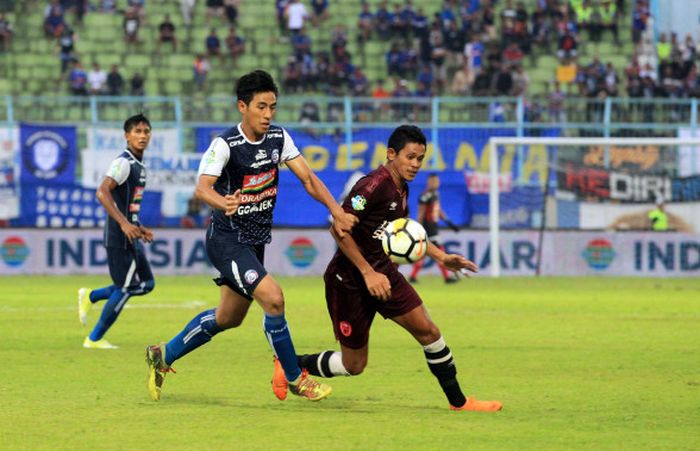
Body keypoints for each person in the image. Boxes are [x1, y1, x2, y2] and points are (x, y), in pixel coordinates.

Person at [144, 70, 357, 402]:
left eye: (273, 106)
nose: (268, 114)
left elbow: (309, 179)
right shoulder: (225, 144)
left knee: (228, 317)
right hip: (227, 239)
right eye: (261, 106)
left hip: (254, 241)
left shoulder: (278, 138)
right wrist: (222, 201)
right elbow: (203, 188)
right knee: (274, 298)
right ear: (242, 106)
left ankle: (163, 354)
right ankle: (295, 377)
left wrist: (336, 209)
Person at [271, 125, 502, 412]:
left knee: (429, 332)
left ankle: (460, 402)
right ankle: (289, 363)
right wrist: (368, 273)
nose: (416, 164)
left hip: (385, 275)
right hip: (350, 282)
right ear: (391, 154)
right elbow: (339, 230)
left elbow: (402, 232)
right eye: (410, 157)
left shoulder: (401, 187)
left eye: (420, 158)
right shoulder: (371, 186)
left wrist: (441, 257)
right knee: (353, 365)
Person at [77, 114, 155, 349]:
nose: (142, 136)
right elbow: (102, 192)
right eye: (137, 131)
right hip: (118, 236)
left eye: (146, 131)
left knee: (147, 284)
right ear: (127, 136)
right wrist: (123, 224)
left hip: (131, 234)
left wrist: (137, 226)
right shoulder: (123, 163)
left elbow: (128, 204)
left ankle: (91, 296)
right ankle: (94, 339)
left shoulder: (139, 166)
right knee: (128, 287)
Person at [409, 173, 460, 284]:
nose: (436, 183)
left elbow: (438, 210)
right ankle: (447, 277)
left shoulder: (436, 194)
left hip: (434, 227)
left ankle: (413, 276)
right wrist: (418, 228)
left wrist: (449, 223)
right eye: (433, 181)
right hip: (429, 229)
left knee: (423, 253)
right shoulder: (425, 196)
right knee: (440, 252)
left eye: (437, 181)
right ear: (429, 182)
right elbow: (421, 214)